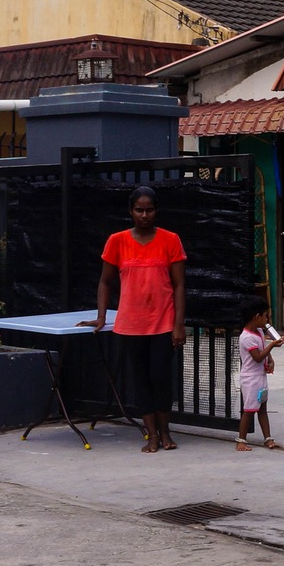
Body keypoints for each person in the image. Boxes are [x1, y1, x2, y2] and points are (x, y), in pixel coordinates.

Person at [81, 185, 185, 453]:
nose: (145, 215)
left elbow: (179, 285)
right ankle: (151, 435)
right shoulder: (117, 241)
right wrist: (101, 316)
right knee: (140, 380)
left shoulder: (170, 240)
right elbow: (105, 282)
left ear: (156, 211)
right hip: (131, 325)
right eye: (139, 210)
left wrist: (178, 324)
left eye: (149, 209)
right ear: (131, 211)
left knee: (161, 379)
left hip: (162, 323)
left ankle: (165, 432)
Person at [236, 297, 283, 450]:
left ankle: (268, 438)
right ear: (257, 317)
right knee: (249, 410)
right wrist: (272, 346)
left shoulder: (260, 333)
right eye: (265, 315)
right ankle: (241, 440)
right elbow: (257, 357)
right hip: (251, 380)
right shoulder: (246, 338)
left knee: (262, 408)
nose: (267, 319)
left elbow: (263, 354)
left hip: (260, 378)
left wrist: (270, 360)